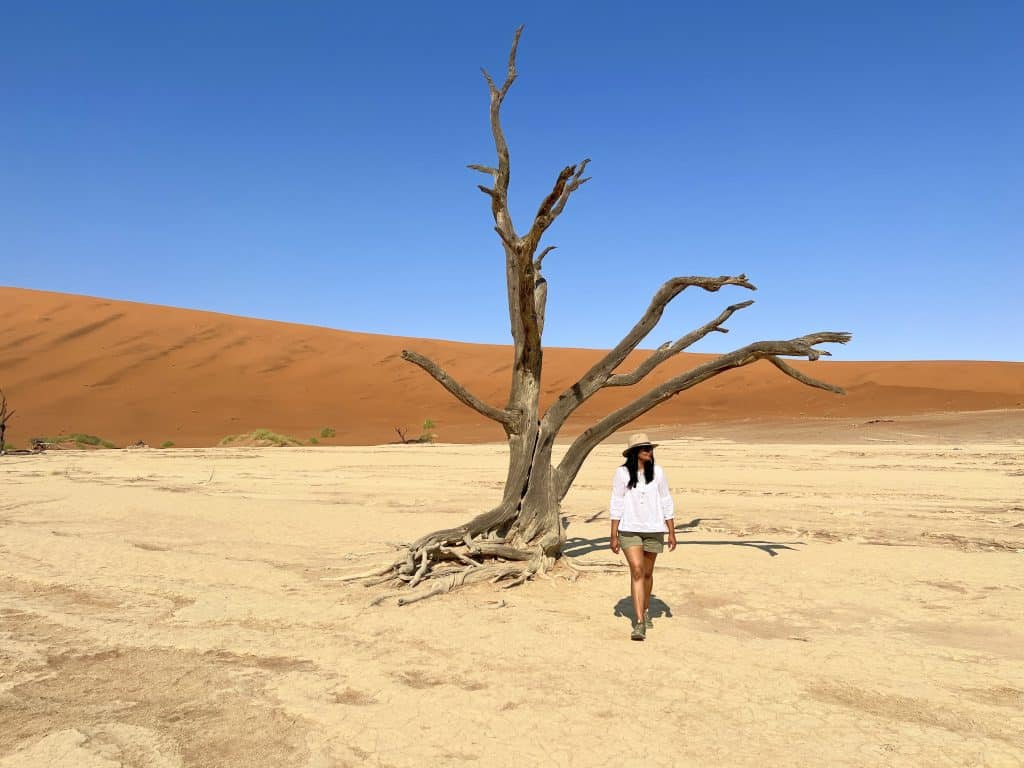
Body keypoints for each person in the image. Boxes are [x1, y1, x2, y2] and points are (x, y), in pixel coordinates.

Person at [609, 433, 676, 640]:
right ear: (634, 453)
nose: (649, 451)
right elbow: (616, 501)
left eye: (650, 448)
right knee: (637, 571)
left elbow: (666, 499)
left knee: (647, 574)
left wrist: (671, 530)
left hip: (654, 529)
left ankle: (645, 610)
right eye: (644, 448)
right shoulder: (621, 474)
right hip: (629, 529)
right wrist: (613, 534)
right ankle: (639, 623)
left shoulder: (658, 472)